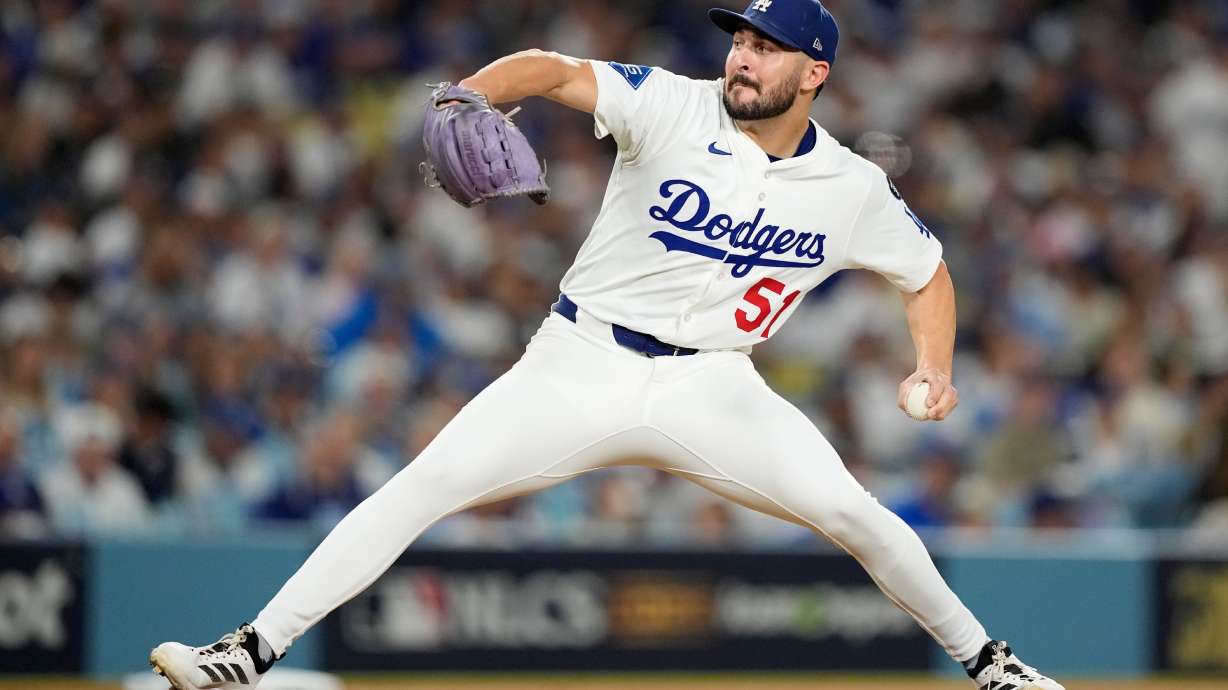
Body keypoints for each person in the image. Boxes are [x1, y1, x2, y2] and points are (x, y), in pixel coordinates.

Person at [150, 2, 1064, 689]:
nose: (741, 57)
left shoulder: (853, 186)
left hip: (716, 387)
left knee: (862, 516)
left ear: (815, 72)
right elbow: (548, 69)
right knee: (420, 485)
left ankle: (992, 665)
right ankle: (249, 650)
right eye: (738, 41)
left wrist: (933, 365)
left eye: (765, 47)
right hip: (579, 364)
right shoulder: (668, 102)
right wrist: (474, 94)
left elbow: (928, 273)